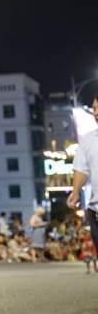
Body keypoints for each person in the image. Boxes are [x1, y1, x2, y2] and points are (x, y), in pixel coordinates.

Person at [67, 99, 98, 255]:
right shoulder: (87, 140)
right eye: (94, 109)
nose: (96, 113)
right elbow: (81, 169)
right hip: (96, 209)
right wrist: (75, 191)